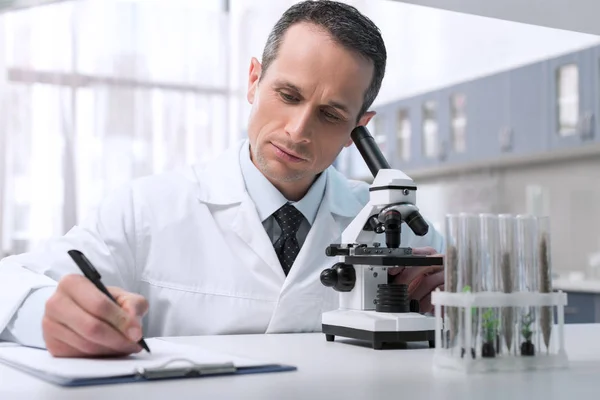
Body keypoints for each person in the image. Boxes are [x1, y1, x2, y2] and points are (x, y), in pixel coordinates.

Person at [0, 0, 444, 358]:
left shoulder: (391, 220)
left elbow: (476, 295)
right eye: (287, 95)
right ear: (254, 80)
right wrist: (49, 314)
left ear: (358, 128)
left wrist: (450, 304)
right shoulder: (146, 209)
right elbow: (11, 281)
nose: (298, 129)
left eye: (330, 115)